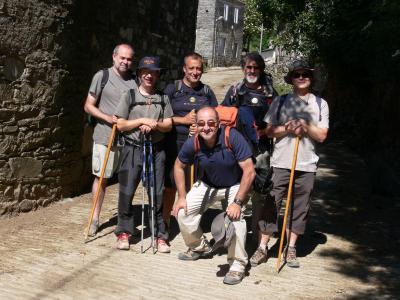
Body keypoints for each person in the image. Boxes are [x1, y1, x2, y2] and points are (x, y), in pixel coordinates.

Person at [250, 59, 329, 268]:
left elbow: (321, 135)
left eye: (305, 74)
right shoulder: (281, 101)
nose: (301, 77)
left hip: (307, 164)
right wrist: (288, 127)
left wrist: (305, 125)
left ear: (311, 78)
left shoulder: (320, 104)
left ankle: (290, 247)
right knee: (271, 205)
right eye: (297, 74)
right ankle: (262, 247)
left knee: (300, 207)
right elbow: (269, 131)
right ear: (292, 78)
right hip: (280, 162)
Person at [173, 107, 256, 285]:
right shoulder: (194, 141)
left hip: (235, 184)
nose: (206, 128)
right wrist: (181, 196)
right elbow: (178, 166)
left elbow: (249, 172)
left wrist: (238, 202)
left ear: (218, 124)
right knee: (182, 212)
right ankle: (199, 247)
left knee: (236, 218)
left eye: (211, 123)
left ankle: (237, 264)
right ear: (196, 125)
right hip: (208, 183)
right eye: (201, 124)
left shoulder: (232, 137)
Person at [114, 56, 173, 252]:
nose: (149, 75)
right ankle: (124, 232)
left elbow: (168, 125)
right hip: (132, 149)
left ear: (157, 75)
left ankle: (159, 235)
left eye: (154, 72)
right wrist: (141, 122)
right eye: (145, 72)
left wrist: (155, 124)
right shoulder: (129, 95)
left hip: (156, 151)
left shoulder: (163, 98)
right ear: (139, 74)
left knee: (156, 193)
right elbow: (120, 124)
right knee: (127, 191)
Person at [222, 52, 275, 252]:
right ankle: (234, 235)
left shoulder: (270, 93)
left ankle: (255, 236)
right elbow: (225, 116)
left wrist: (267, 129)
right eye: (248, 67)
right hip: (238, 151)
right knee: (237, 191)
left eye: (256, 68)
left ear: (261, 69)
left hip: (262, 151)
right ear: (243, 68)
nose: (252, 71)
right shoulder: (236, 90)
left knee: (260, 194)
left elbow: (277, 120)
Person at [83, 44, 136, 236]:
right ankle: (95, 218)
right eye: (122, 58)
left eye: (129, 59)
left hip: (128, 139)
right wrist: (107, 118)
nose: (125, 62)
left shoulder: (134, 80)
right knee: (102, 178)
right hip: (106, 135)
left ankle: (125, 220)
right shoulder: (102, 76)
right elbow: (88, 106)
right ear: (114, 57)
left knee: (128, 181)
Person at [162, 52, 218, 227]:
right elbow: (160, 118)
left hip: (198, 146)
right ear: (184, 69)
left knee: (194, 185)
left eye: (199, 68)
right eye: (191, 68)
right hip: (174, 143)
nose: (195, 72)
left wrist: (201, 129)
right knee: (171, 184)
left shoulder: (207, 92)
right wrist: (184, 121)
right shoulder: (173, 89)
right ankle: (165, 221)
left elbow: (216, 119)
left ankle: (190, 222)